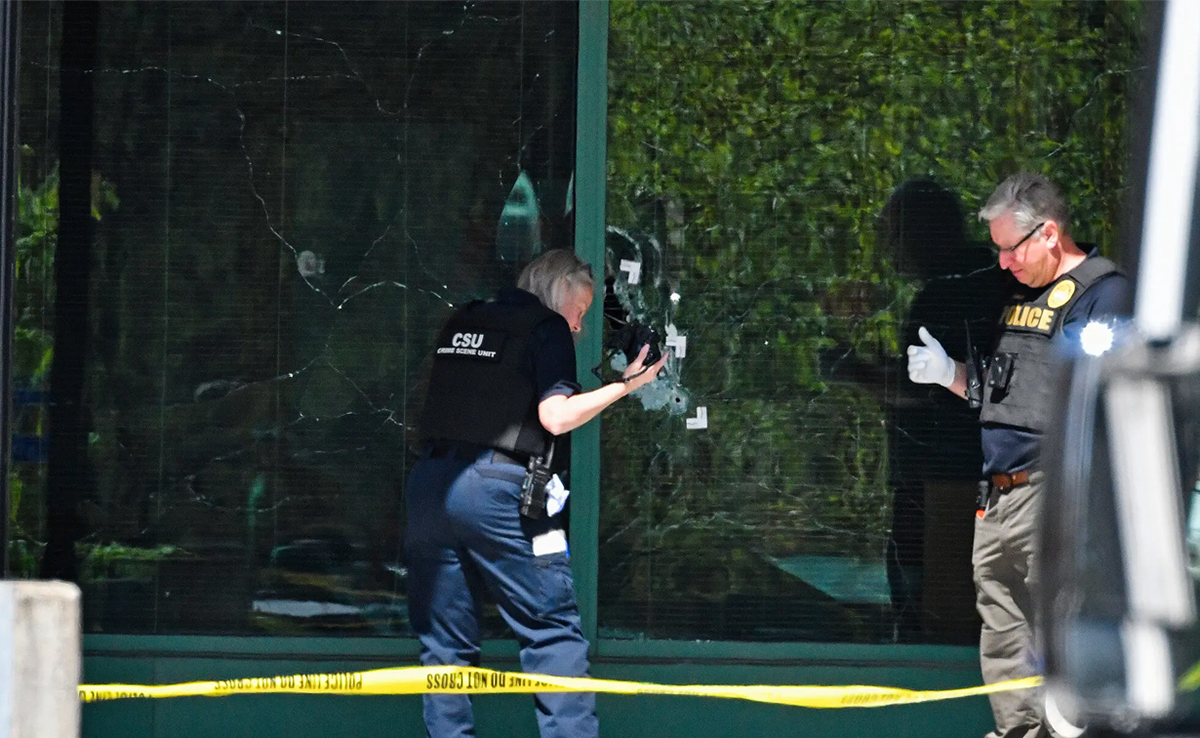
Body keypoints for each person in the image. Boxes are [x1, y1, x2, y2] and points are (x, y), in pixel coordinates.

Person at [404, 249, 667, 738]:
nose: (578, 325)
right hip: (501, 492)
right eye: (580, 310)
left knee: (444, 645)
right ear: (559, 291)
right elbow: (556, 417)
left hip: (430, 489)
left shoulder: (464, 320)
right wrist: (626, 385)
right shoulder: (546, 327)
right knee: (551, 630)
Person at [906, 172, 1128, 738]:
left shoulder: (1104, 295)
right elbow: (1003, 393)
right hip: (997, 496)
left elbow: (1109, 406)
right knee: (1004, 631)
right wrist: (949, 375)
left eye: (1011, 249)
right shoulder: (1016, 295)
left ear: (1049, 233)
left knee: (1062, 628)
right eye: (998, 251)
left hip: (1055, 493)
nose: (1003, 264)